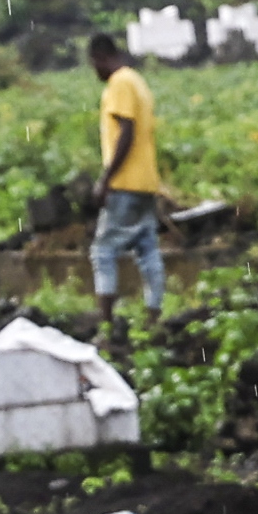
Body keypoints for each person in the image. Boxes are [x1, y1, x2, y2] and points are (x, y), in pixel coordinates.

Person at [84, 31, 165, 325]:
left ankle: (106, 326)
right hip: (146, 183)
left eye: (94, 64)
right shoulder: (137, 81)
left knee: (103, 251)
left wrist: (106, 179)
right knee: (147, 251)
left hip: (125, 184)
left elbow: (126, 133)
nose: (95, 71)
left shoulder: (119, 84)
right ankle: (153, 320)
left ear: (101, 58)